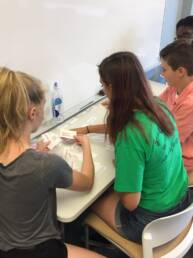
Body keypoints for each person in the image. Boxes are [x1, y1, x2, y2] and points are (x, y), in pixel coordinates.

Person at [74, 51, 193, 244]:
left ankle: (94, 245)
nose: (103, 89)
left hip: (150, 224)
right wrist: (88, 129)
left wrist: (124, 170)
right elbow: (137, 134)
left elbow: (130, 204)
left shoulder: (130, 135)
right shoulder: (159, 107)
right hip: (182, 202)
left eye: (102, 85)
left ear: (111, 88)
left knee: (86, 200)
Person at [0, 67, 106, 258]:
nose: (44, 111)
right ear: (33, 113)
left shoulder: (36, 161)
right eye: (43, 106)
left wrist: (34, 153)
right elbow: (87, 182)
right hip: (39, 252)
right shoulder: (46, 165)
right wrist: (87, 145)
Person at [159, 40, 193, 184]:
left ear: (180, 71)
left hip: (183, 161)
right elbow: (155, 104)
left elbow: (170, 139)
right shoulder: (175, 86)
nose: (162, 74)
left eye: (164, 69)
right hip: (170, 149)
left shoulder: (190, 103)